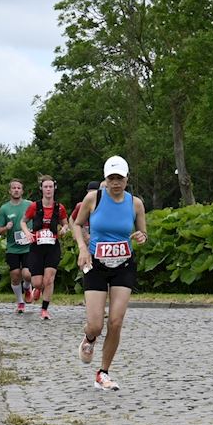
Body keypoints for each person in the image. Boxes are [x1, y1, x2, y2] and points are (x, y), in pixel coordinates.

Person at [73, 156, 147, 391]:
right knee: (95, 324)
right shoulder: (94, 198)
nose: (116, 183)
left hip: (123, 266)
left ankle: (103, 373)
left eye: (120, 178)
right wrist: (83, 248)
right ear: (105, 179)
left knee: (115, 321)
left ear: (127, 179)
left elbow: (142, 232)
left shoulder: (135, 204)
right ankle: (90, 338)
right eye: (111, 178)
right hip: (96, 266)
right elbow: (76, 224)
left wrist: (141, 237)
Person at [24, 175, 68, 320]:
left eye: (50, 187)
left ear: (54, 188)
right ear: (41, 189)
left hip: (52, 246)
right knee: (38, 281)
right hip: (37, 246)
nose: (48, 189)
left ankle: (44, 309)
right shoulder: (34, 207)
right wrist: (27, 233)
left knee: (49, 279)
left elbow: (65, 223)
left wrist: (64, 229)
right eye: (45, 187)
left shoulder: (59, 207)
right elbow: (23, 222)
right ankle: (36, 287)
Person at [0, 179, 34, 312]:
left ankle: (28, 287)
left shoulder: (30, 205)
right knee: (15, 275)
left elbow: (38, 219)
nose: (16, 190)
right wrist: (6, 227)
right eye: (14, 188)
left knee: (28, 274)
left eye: (19, 188)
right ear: (10, 191)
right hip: (13, 247)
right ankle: (20, 302)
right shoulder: (4, 208)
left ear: (22, 191)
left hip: (28, 246)